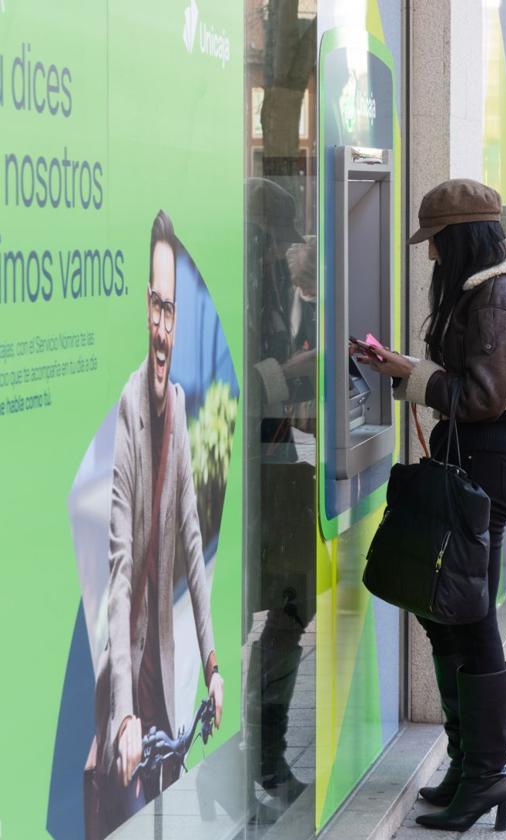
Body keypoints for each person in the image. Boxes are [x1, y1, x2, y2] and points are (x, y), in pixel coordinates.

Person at [354, 179, 506, 832]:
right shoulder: (488, 290)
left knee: (468, 618)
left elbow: (478, 399)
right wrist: (401, 366)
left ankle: (487, 774)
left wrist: (406, 375)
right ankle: (466, 763)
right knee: (446, 615)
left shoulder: (499, 295)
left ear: (461, 238)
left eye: (436, 242)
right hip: (471, 457)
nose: (432, 256)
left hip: (485, 462)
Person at [92, 210, 225, 835]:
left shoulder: (177, 406)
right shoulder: (130, 407)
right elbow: (120, 578)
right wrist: (121, 716)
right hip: (125, 676)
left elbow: (193, 550)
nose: (163, 327)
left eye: (173, 312)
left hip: (163, 672)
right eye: (157, 307)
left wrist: (215, 664)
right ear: (146, 307)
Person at [244, 178, 316, 809]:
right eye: (271, 241)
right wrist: (289, 373)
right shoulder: (241, 276)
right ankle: (256, 763)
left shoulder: (271, 281)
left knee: (292, 608)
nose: (277, 254)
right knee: (255, 612)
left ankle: (265, 759)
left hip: (279, 457)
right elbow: (233, 375)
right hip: (245, 466)